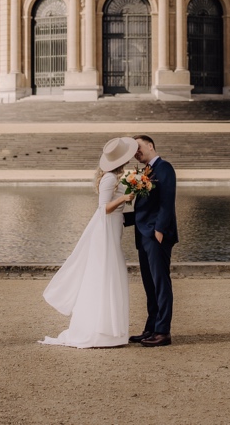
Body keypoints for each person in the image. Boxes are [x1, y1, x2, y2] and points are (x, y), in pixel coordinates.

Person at [40, 136, 136, 348]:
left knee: (111, 275)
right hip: (105, 232)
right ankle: (100, 330)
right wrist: (124, 198)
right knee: (104, 275)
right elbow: (103, 209)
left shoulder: (117, 178)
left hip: (112, 229)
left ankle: (110, 330)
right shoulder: (110, 178)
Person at [129, 133, 177, 347]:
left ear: (150, 145)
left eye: (139, 148)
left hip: (156, 235)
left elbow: (168, 201)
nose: (136, 153)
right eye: (134, 151)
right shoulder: (145, 171)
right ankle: (151, 327)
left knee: (160, 284)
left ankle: (162, 331)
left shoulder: (164, 168)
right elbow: (146, 207)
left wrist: (159, 230)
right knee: (149, 285)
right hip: (143, 234)